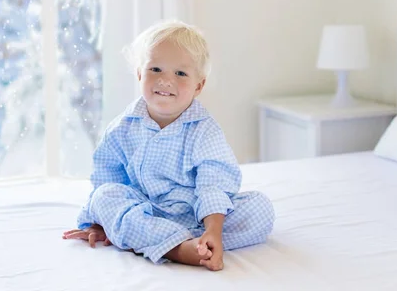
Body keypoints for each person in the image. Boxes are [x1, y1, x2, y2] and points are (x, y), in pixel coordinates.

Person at [62, 21, 275, 271]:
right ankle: (179, 249)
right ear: (140, 74)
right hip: (146, 210)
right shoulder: (122, 128)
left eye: (180, 73)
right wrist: (101, 223)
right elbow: (108, 178)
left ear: (199, 85)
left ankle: (197, 241)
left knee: (260, 209)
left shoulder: (204, 130)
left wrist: (214, 230)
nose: (165, 80)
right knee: (104, 196)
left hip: (195, 213)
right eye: (156, 69)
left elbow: (214, 183)